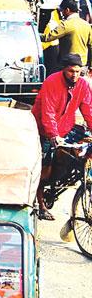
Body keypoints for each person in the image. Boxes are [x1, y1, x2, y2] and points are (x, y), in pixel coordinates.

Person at [32, 53, 92, 220]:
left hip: (66, 126)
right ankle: (41, 204)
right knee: (44, 168)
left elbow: (88, 109)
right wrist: (53, 135)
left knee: (80, 150)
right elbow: (48, 112)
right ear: (64, 70)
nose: (75, 75)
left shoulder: (83, 85)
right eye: (71, 71)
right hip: (43, 128)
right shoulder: (52, 81)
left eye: (78, 72)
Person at [42, 0, 91, 70]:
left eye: (62, 10)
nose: (61, 13)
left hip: (68, 66)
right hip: (82, 66)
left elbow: (48, 37)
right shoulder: (86, 25)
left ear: (67, 10)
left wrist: (34, 36)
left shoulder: (66, 25)